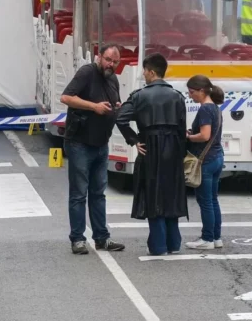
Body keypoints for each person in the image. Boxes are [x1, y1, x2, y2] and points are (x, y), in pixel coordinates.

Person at [115, 53, 189, 256]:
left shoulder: (139, 95)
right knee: (171, 194)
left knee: (152, 193)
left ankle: (158, 245)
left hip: (150, 147)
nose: (144, 75)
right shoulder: (178, 97)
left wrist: (134, 140)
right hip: (173, 148)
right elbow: (182, 129)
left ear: (151, 72)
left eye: (145, 72)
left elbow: (121, 118)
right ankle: (174, 243)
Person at [60, 45, 126, 254]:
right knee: (79, 193)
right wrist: (94, 107)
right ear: (99, 57)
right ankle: (78, 239)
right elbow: (66, 97)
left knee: (98, 193)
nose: (111, 64)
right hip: (80, 142)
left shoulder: (113, 79)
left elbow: (114, 102)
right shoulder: (87, 72)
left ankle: (101, 238)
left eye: (115, 62)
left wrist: (117, 107)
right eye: (108, 60)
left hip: (101, 143)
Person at [184, 75, 225, 250]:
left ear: (201, 91)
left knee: (205, 201)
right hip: (217, 156)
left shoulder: (205, 110)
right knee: (213, 200)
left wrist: (188, 137)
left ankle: (207, 238)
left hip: (205, 161)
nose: (190, 96)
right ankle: (216, 237)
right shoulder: (215, 108)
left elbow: (205, 135)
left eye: (192, 92)